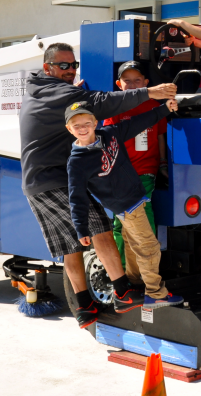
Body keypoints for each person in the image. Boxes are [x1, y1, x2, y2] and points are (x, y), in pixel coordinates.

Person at [20, 43, 177, 329]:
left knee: (70, 246)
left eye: (74, 65)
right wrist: (151, 93)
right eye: (63, 66)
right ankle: (122, 291)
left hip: (35, 182)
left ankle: (84, 307)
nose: (70, 71)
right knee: (101, 229)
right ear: (48, 68)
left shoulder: (39, 90)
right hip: (55, 179)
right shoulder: (60, 93)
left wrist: (75, 92)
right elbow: (102, 101)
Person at [65, 100, 184, 310]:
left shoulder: (110, 134)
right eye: (77, 125)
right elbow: (77, 196)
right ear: (69, 129)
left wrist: (165, 108)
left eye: (86, 123)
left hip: (135, 197)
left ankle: (136, 283)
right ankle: (156, 293)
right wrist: (81, 228)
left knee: (133, 244)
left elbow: (141, 121)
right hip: (126, 206)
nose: (83, 129)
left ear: (95, 122)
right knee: (149, 247)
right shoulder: (77, 161)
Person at [103, 61, 167, 270]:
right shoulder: (116, 107)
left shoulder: (154, 106)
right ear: (118, 84)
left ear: (146, 83)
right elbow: (108, 140)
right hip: (122, 173)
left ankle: (146, 269)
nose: (132, 85)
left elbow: (160, 136)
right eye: (127, 81)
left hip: (146, 171)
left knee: (143, 218)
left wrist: (163, 163)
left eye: (137, 80)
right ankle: (121, 270)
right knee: (120, 222)